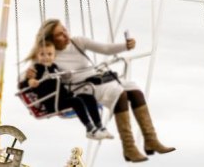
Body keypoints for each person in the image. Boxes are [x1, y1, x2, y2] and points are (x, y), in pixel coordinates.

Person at [35, 20, 173, 162]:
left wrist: (125, 46)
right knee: (119, 94)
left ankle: (151, 139)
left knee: (135, 90)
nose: (65, 35)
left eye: (64, 30)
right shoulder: (48, 54)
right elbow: (37, 74)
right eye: (60, 34)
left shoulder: (77, 41)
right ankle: (129, 147)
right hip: (81, 87)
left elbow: (105, 48)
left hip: (98, 77)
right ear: (50, 39)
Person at [19, 41, 112, 140]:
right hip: (52, 103)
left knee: (88, 97)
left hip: (63, 97)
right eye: (42, 54)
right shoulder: (37, 69)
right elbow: (25, 83)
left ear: (54, 56)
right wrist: (30, 81)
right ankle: (90, 129)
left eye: (49, 54)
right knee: (76, 101)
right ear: (38, 56)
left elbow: (61, 81)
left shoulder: (54, 67)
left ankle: (99, 126)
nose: (46, 57)